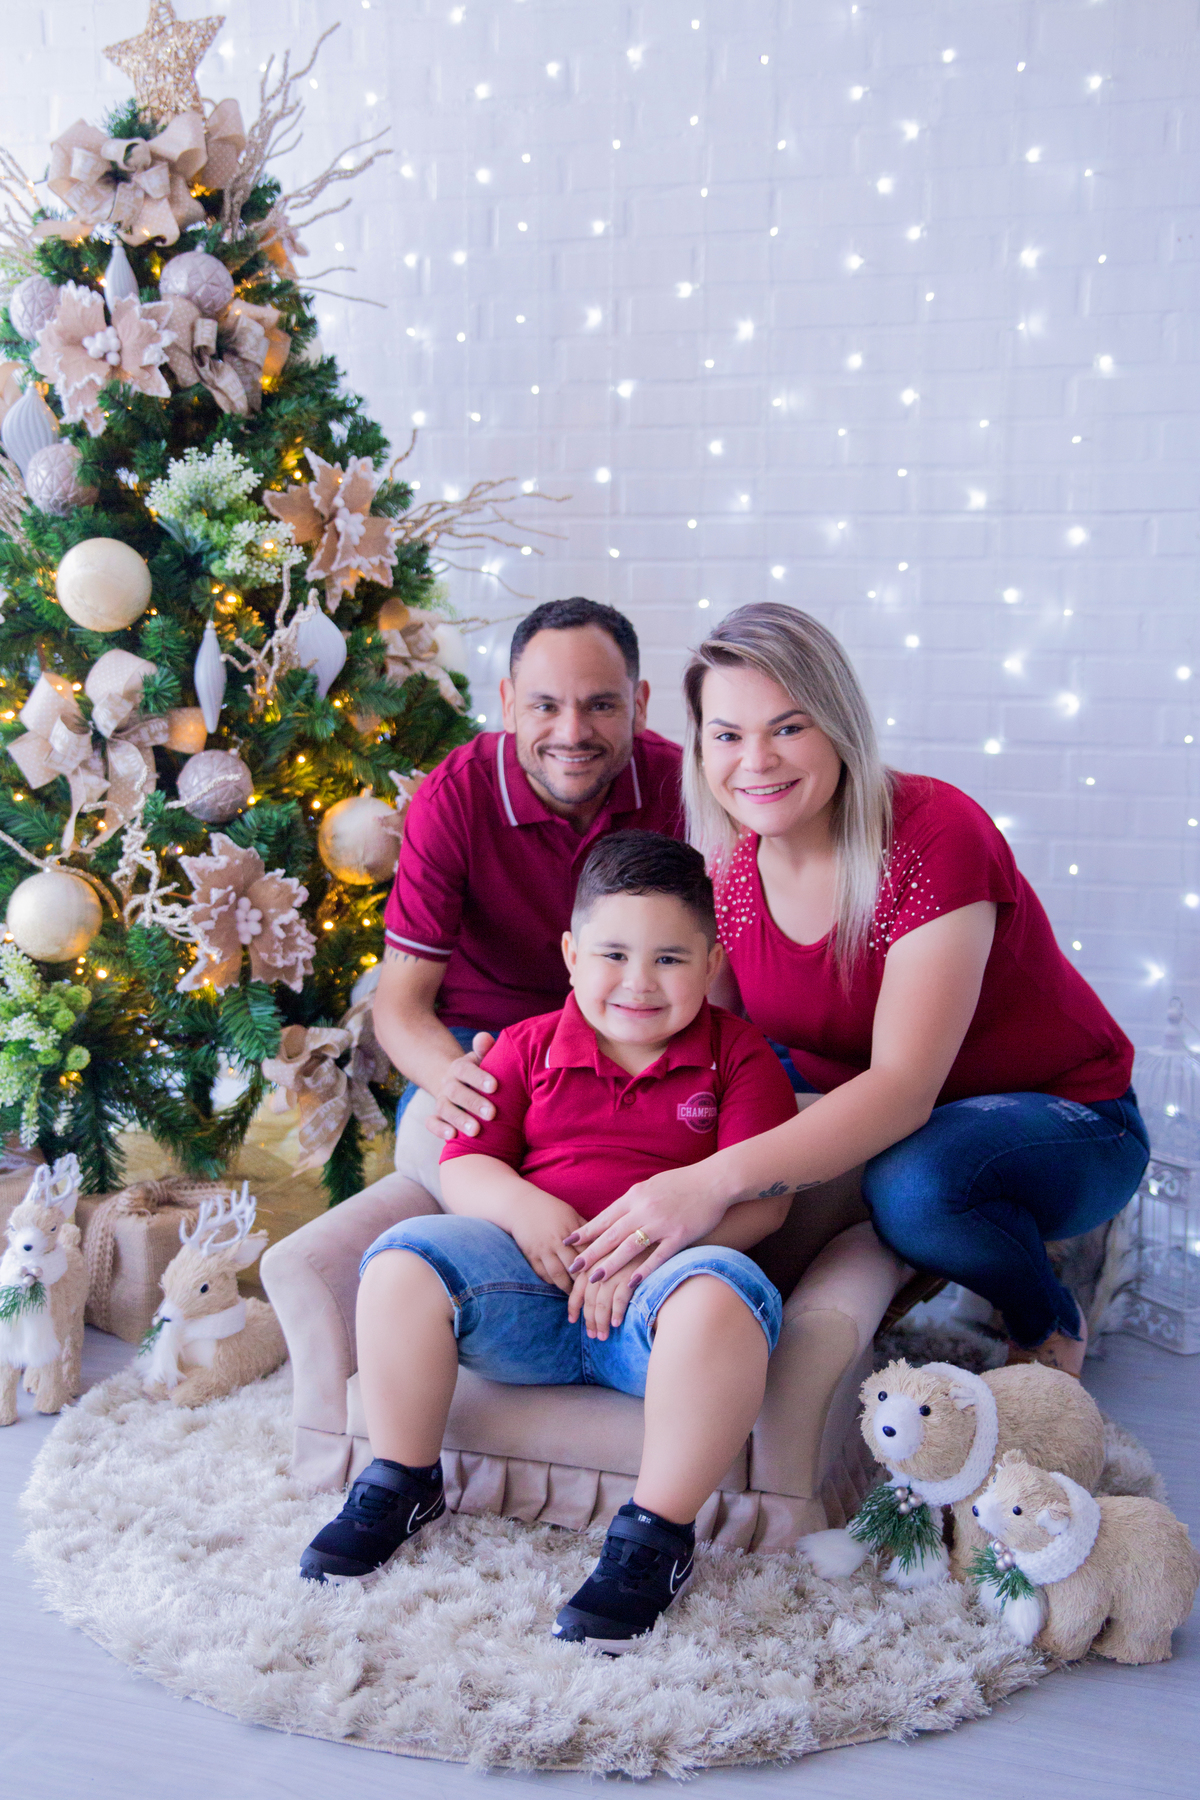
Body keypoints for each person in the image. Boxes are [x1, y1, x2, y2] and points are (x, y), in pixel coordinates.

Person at [564, 602, 1150, 1380]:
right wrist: (536, 1059)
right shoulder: (730, 877)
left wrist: (706, 1183)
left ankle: (1047, 1316)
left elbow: (905, 1090)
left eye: (788, 727)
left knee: (916, 1188)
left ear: (838, 724)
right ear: (700, 748)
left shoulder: (936, 833)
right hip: (894, 1110)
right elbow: (703, 1053)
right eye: (728, 735)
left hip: (1064, 1117)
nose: (757, 760)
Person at [301, 832, 799, 1650]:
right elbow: (462, 1166)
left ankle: (653, 1537)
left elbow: (765, 1203)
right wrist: (523, 1205)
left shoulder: (738, 1059)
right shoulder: (526, 1048)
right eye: (612, 954)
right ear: (570, 955)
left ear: (711, 963)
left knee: (721, 1291)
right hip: (528, 1299)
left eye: (670, 959)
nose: (638, 983)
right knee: (403, 1255)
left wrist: (650, 1255)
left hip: (656, 1318)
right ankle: (399, 1480)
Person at [375, 597, 683, 1150]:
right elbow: (400, 1007)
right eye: (545, 706)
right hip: (486, 1043)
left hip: (638, 1034)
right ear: (508, 704)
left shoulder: (683, 787)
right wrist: (456, 1080)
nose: (572, 733)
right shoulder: (454, 798)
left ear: (639, 704)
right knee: (434, 1143)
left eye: (602, 706)